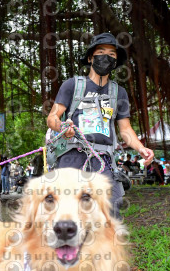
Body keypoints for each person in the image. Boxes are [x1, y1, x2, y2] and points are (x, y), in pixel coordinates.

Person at [46, 32, 154, 218]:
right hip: (73, 156)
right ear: (90, 58)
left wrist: (141, 148)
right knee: (70, 216)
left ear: (116, 61)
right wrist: (63, 127)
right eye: (101, 52)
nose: (106, 57)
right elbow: (52, 117)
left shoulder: (119, 93)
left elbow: (125, 129)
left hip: (104, 160)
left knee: (109, 216)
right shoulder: (72, 85)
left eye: (112, 54)